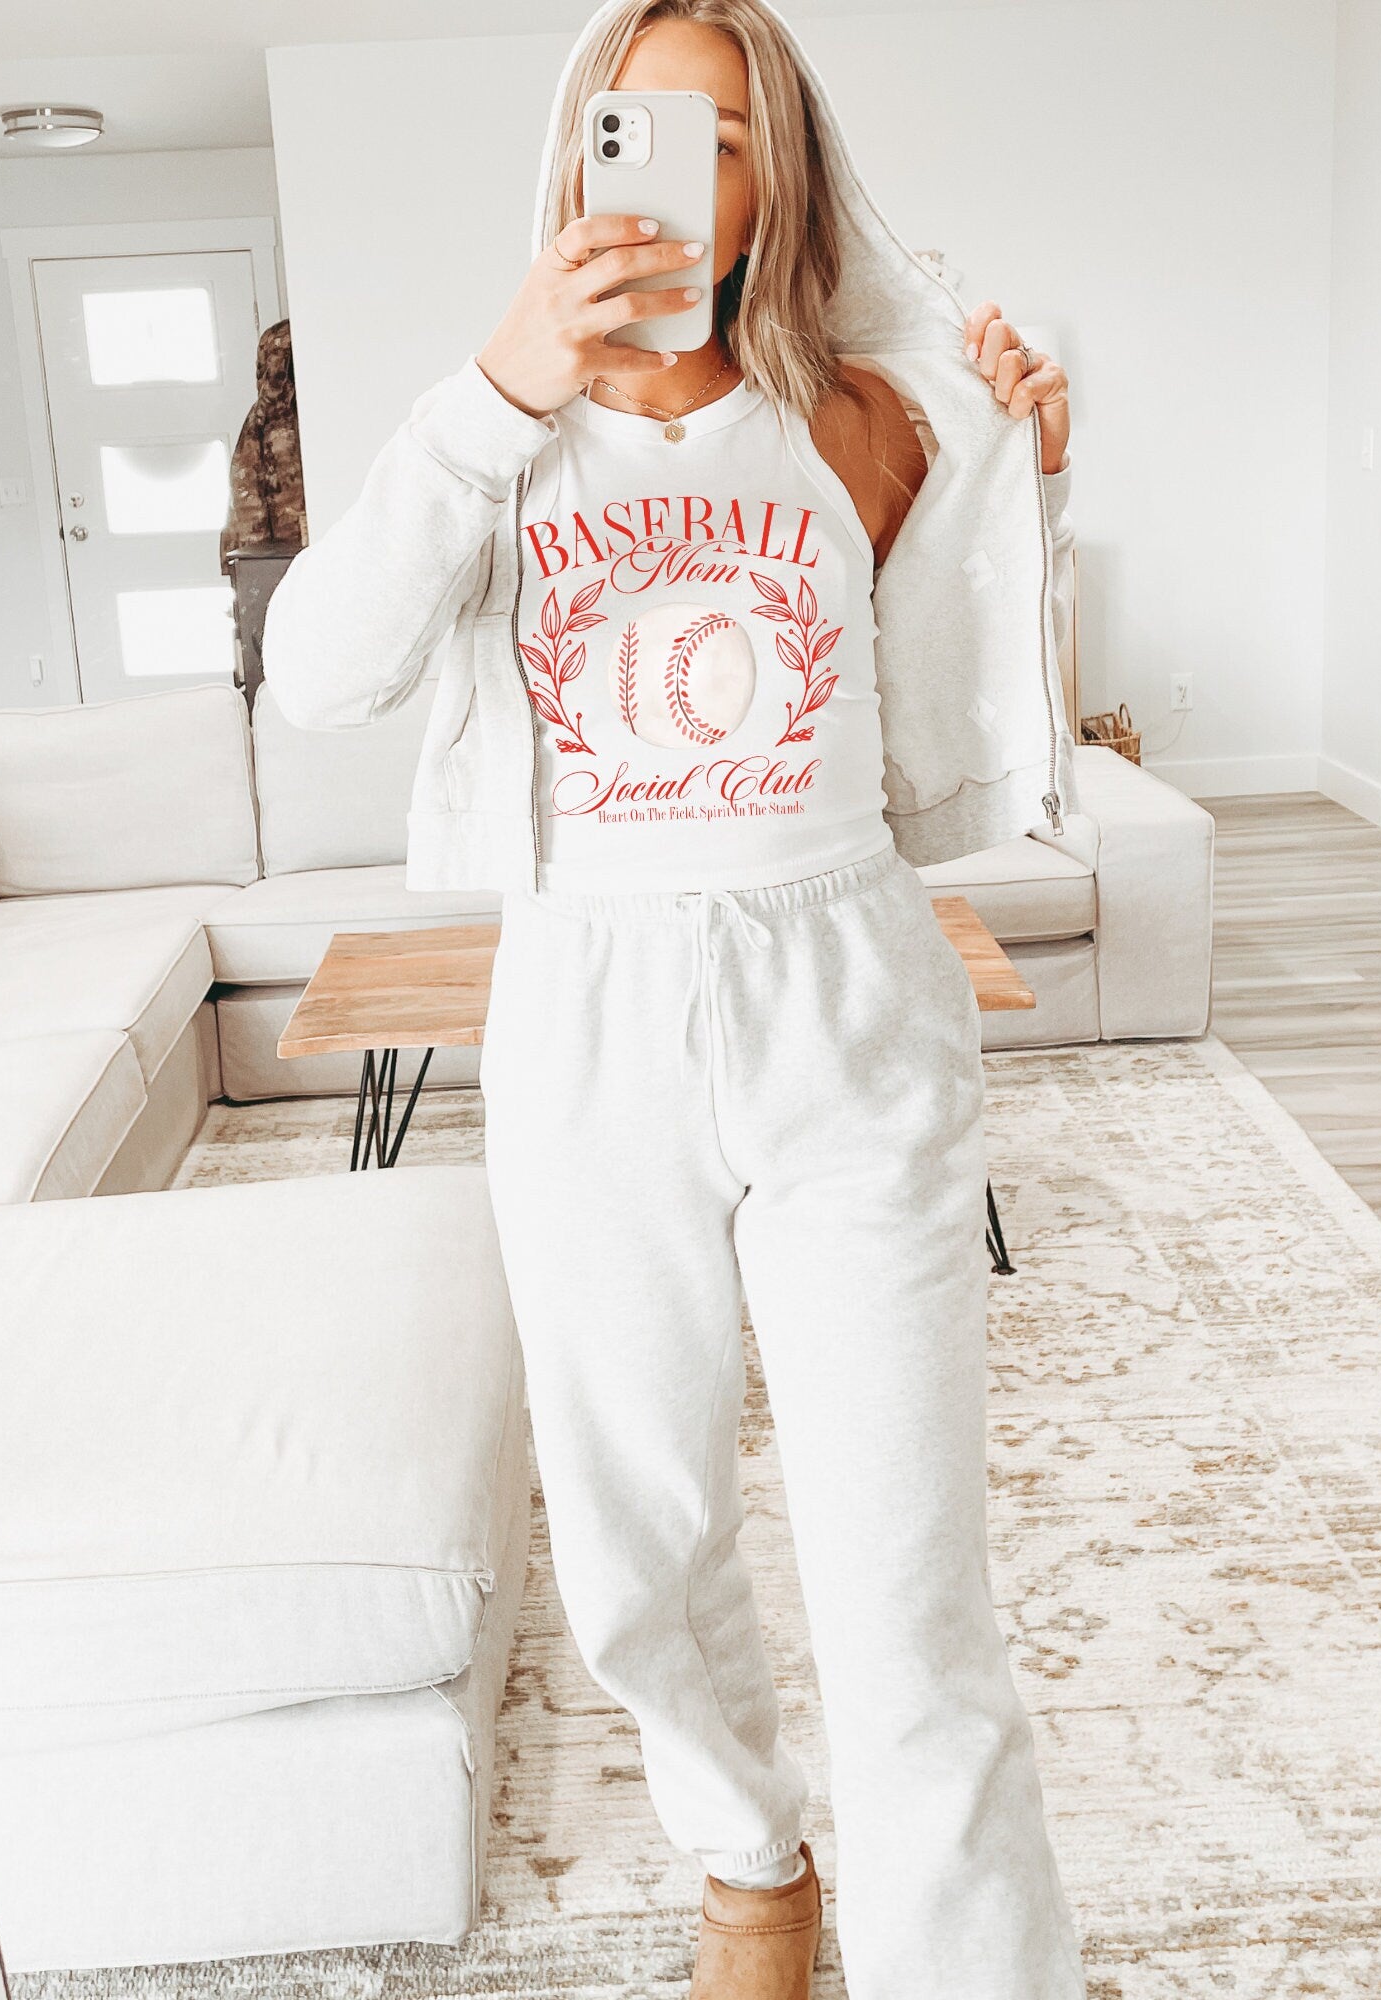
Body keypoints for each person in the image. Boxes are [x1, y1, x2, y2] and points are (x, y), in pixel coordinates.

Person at [264, 3, 1086, 1993]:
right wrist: (493, 385)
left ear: (775, 172)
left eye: (729, 139)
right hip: (591, 1020)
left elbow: (953, 729)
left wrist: (1024, 467)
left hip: (844, 1003)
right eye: (645, 131)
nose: (685, 178)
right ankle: (748, 1862)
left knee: (907, 1598)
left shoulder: (869, 422)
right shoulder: (494, 431)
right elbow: (319, 669)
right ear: (578, 153)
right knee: (636, 1549)